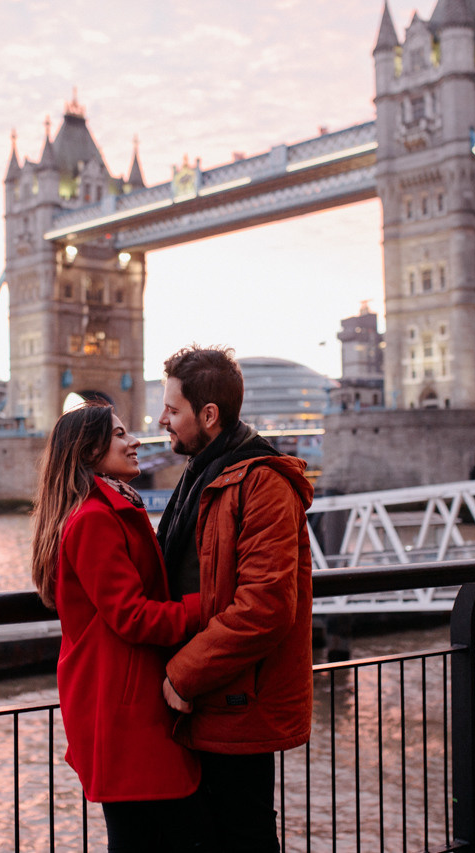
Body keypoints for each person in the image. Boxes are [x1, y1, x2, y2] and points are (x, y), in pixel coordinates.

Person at [156, 345, 315, 853]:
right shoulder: (203, 473)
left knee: (243, 835)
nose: (161, 421)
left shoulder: (263, 482)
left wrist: (181, 673)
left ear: (209, 415)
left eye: (173, 410)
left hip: (234, 698)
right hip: (202, 698)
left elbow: (265, 606)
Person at [30, 402, 207, 852]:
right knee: (144, 837)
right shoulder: (94, 520)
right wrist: (206, 608)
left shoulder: (111, 508)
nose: (135, 442)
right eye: (121, 435)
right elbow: (132, 615)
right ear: (90, 452)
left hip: (124, 696)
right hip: (122, 705)